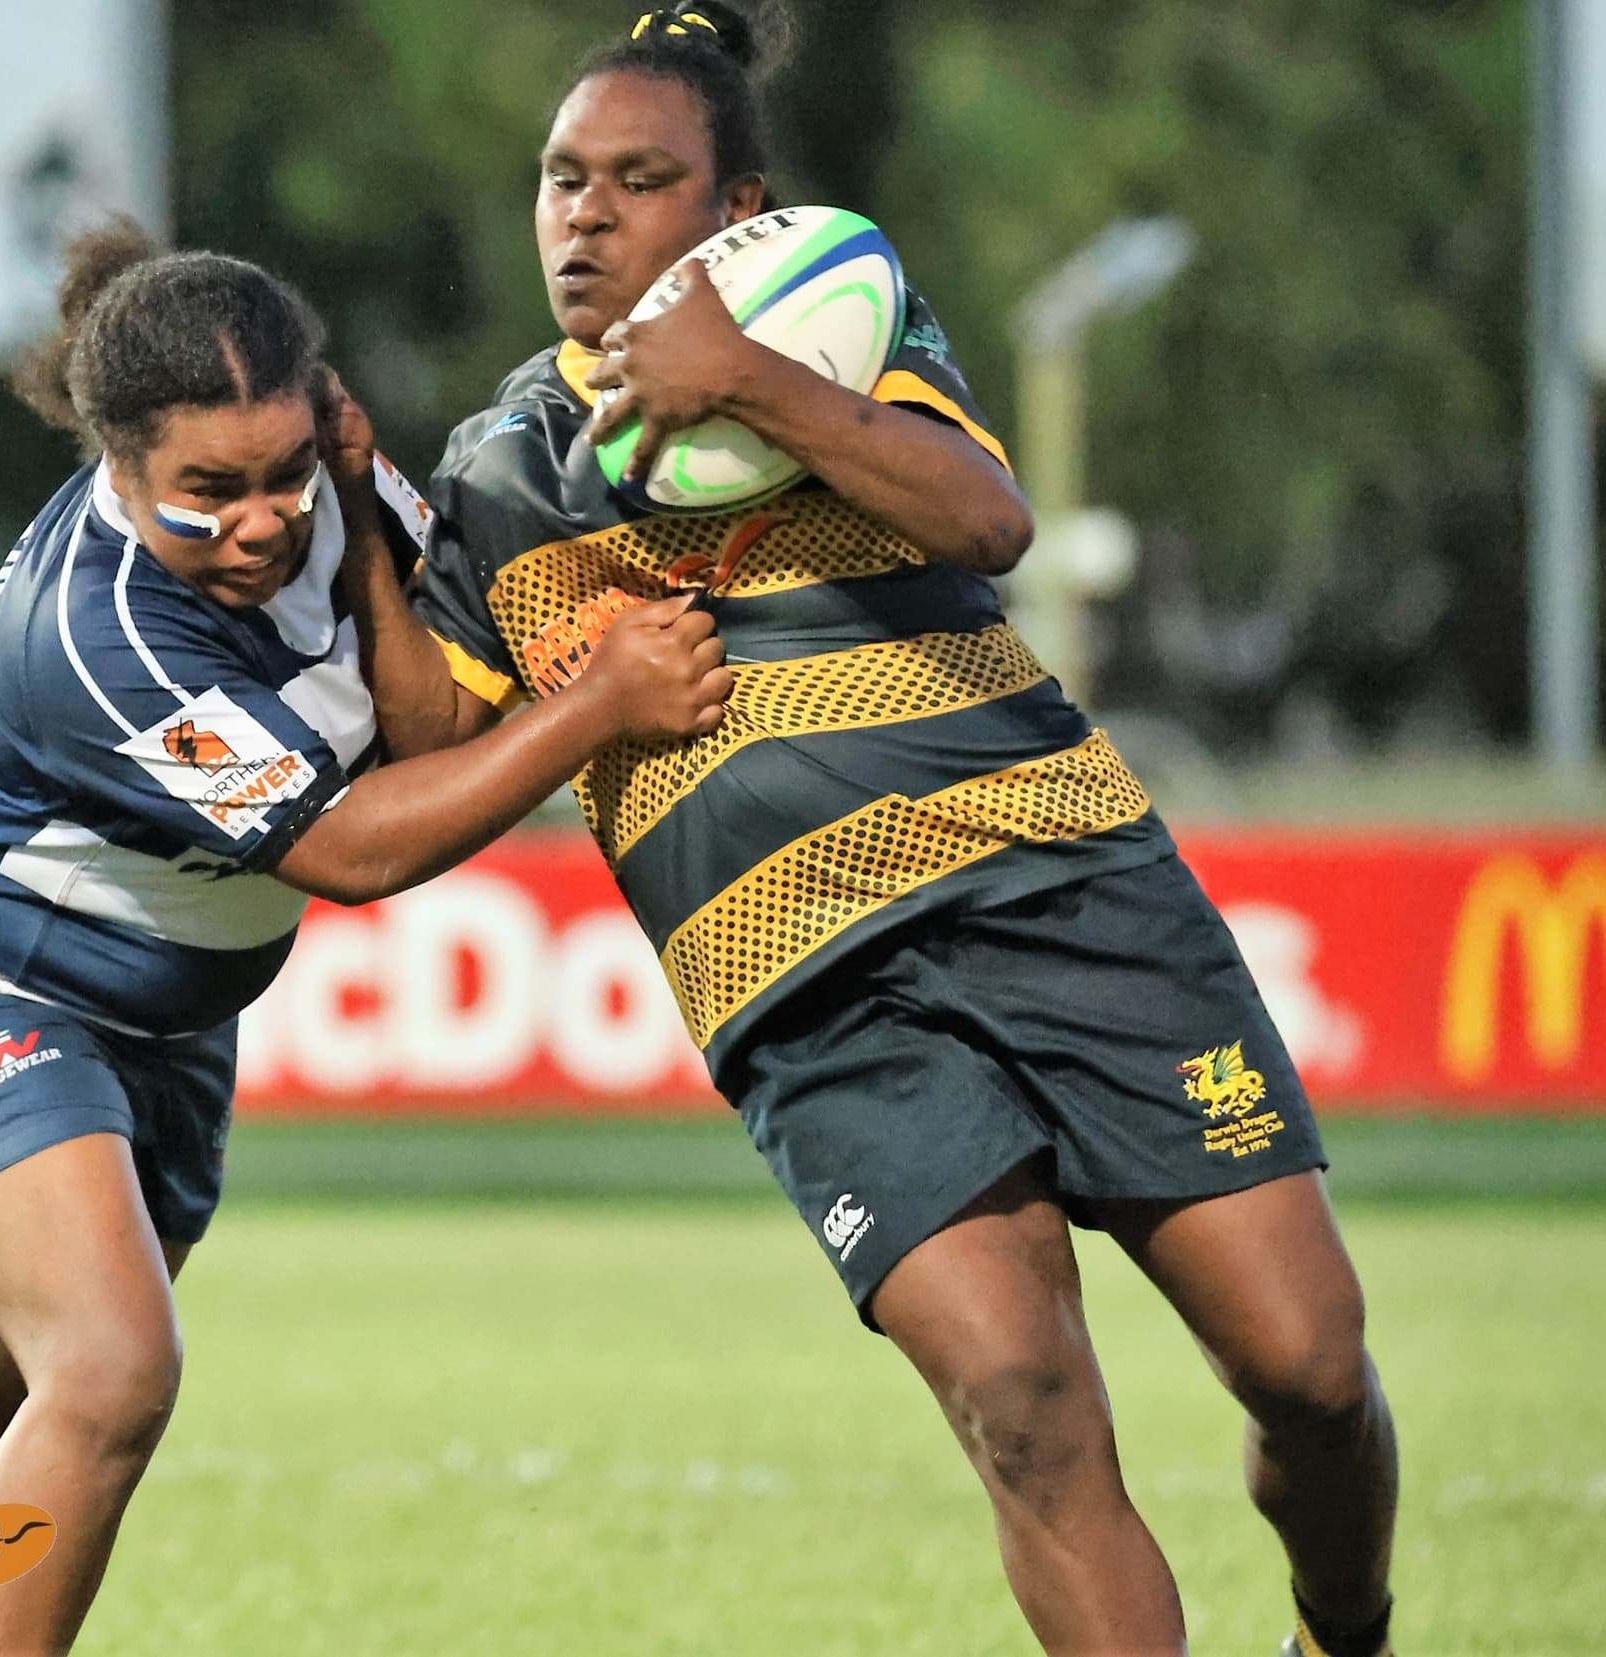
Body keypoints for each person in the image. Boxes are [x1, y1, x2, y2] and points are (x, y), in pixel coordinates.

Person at [405, 7, 1400, 1655]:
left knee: (1305, 1360)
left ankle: (1344, 1633)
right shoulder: (495, 473)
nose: (583, 215)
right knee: (1022, 1400)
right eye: (562, 179)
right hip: (804, 993)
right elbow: (430, 740)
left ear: (738, 215)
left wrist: (753, 385)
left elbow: (988, 519)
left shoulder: (840, 323)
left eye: (639, 180)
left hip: (1058, 881)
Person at [0, 221, 730, 1656]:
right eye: (208, 493)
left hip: (163, 1022)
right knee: (109, 1373)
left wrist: (357, 508)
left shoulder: (322, 496)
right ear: (117, 465)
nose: (256, 522)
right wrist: (604, 703)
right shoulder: (98, 634)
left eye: (282, 472)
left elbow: (432, 728)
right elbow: (359, 852)